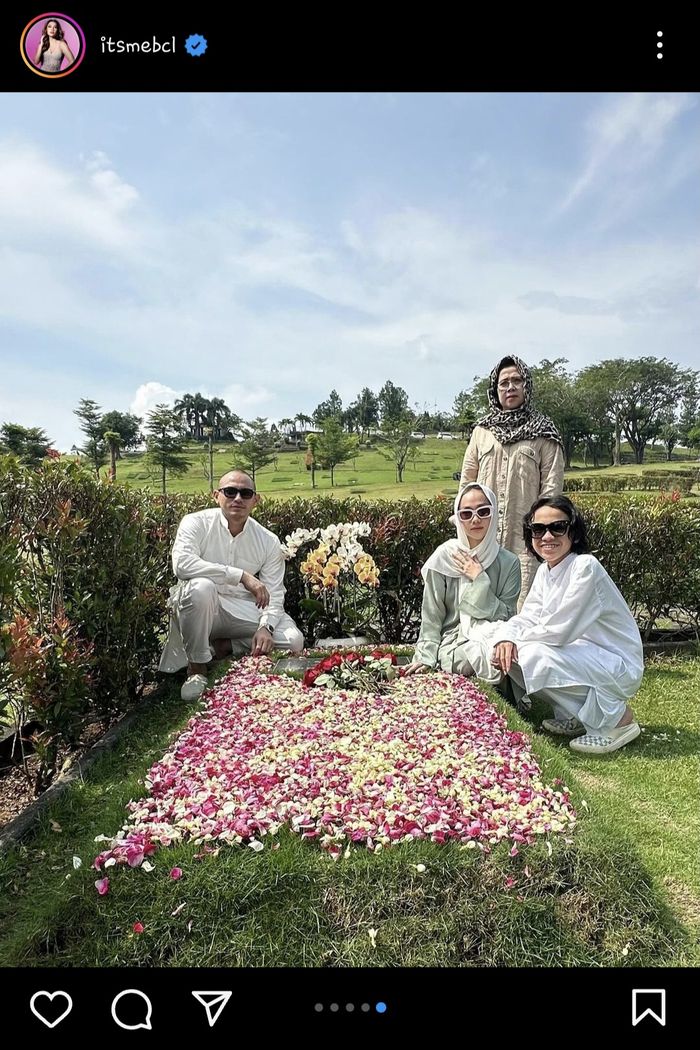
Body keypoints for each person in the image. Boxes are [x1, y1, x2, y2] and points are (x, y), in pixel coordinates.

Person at [491, 496, 643, 755]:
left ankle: (618, 721)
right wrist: (506, 636)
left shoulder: (585, 567)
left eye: (557, 527)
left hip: (617, 664)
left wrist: (517, 640)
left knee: (532, 655)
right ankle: (581, 716)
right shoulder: (546, 571)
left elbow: (560, 631)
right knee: (505, 650)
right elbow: (528, 617)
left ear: (573, 532)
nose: (547, 536)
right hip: (584, 655)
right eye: (538, 529)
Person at [159, 469, 303, 699]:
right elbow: (183, 565)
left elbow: (274, 592)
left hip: (241, 609)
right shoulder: (195, 523)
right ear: (216, 495)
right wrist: (241, 576)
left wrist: (266, 627)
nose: (237, 498)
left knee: (293, 640)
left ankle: (225, 647)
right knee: (200, 589)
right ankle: (197, 668)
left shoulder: (267, 540)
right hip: (204, 608)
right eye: (230, 491)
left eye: (246, 493)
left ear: (256, 500)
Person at [461, 355, 564, 606]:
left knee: (523, 609)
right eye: (503, 382)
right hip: (484, 540)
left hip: (526, 543)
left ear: (526, 386)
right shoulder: (481, 432)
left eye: (517, 381)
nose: (510, 387)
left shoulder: (544, 433)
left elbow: (551, 491)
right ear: (494, 390)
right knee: (479, 603)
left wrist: (542, 531)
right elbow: (467, 482)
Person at [407, 483, 521, 682]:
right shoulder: (443, 558)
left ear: (493, 514)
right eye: (466, 514)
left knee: (512, 652)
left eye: (483, 511)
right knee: (477, 656)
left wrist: (479, 578)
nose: (475, 519)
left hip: (495, 634)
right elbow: (432, 616)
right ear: (458, 518)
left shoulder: (509, 562)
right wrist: (425, 657)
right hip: (454, 641)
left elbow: (508, 615)